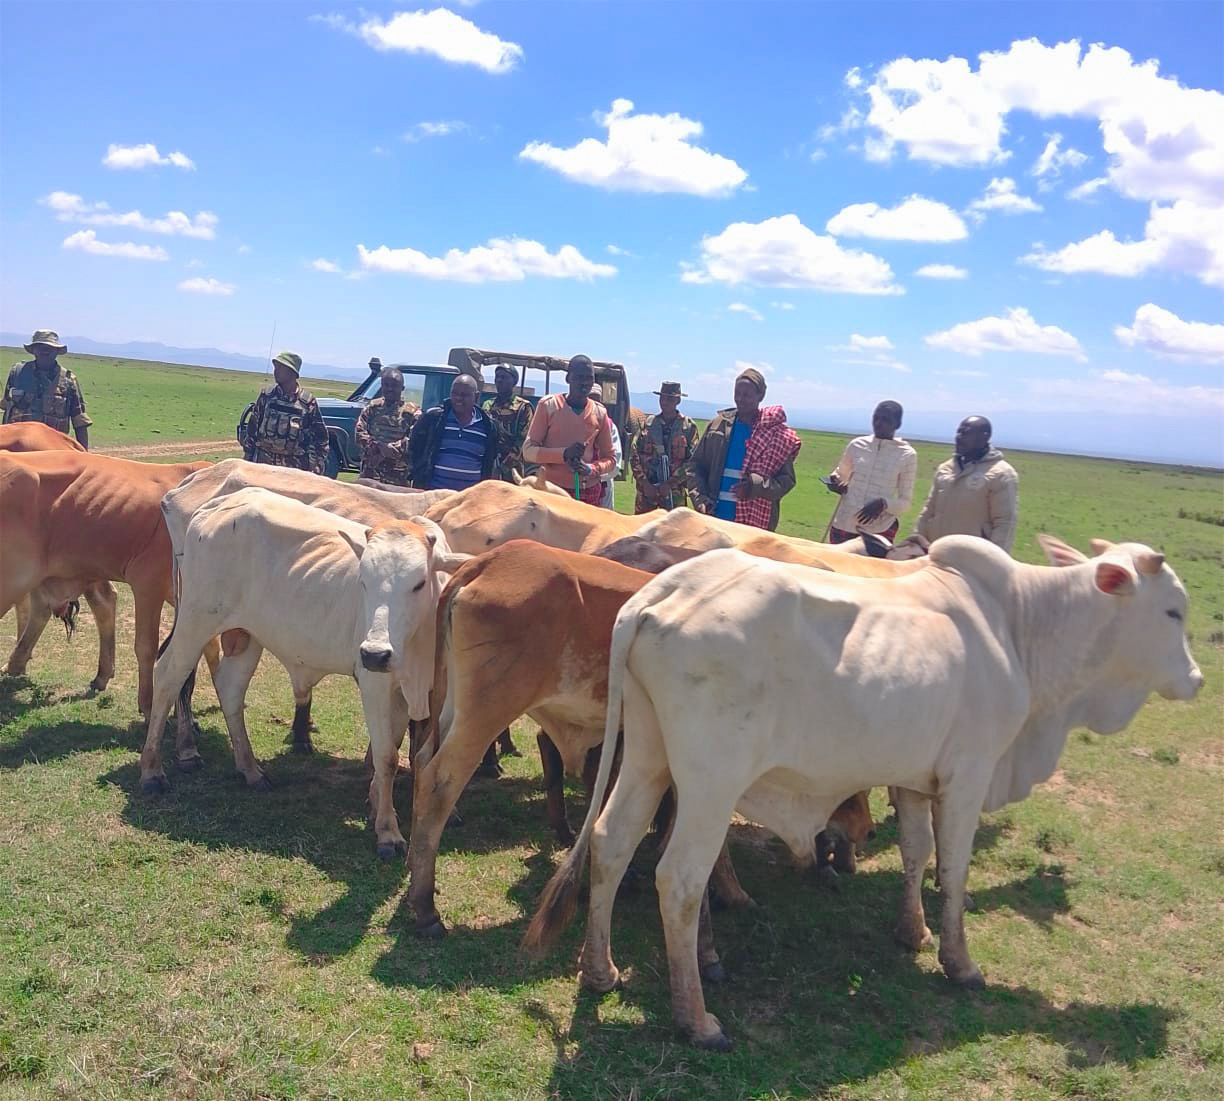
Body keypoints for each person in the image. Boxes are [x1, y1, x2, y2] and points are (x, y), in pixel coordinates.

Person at [688, 366, 800, 530]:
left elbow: (786, 481)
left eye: (747, 395)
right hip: (715, 519)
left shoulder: (775, 434)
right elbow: (695, 466)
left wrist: (756, 486)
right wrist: (700, 499)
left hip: (755, 524)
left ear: (761, 395)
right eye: (737, 393)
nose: (740, 399)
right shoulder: (717, 426)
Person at [915, 415, 1019, 553]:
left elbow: (1004, 523)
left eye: (965, 433)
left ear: (985, 436)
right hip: (935, 552)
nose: (959, 437)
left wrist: (993, 562)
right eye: (958, 432)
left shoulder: (1001, 474)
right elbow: (929, 510)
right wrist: (917, 540)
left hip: (971, 560)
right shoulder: (946, 469)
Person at [522, 354, 615, 504]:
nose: (584, 383)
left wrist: (591, 469)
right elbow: (528, 451)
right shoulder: (549, 406)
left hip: (587, 493)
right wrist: (564, 454)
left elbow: (611, 459)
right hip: (552, 490)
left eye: (589, 378)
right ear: (568, 378)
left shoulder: (599, 412)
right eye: (579, 377)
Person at [825, 400, 917, 543]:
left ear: (897, 424)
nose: (878, 423)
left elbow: (905, 502)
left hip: (879, 529)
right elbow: (839, 475)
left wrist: (883, 504)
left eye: (886, 419)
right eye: (876, 418)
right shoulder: (857, 445)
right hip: (844, 523)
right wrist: (835, 483)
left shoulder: (907, 455)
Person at [1, 329, 92, 447]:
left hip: (53, 449)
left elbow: (79, 421)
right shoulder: (17, 373)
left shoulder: (68, 380)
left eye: (50, 347)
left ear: (57, 351)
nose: (45, 351)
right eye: (40, 347)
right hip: (18, 448)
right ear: (33, 350)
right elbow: (7, 410)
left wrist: (83, 455)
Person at [242, 351, 328, 474]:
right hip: (262, 466)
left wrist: (317, 467)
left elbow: (321, 439)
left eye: (280, 368)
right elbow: (252, 429)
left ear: (292, 373)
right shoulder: (267, 396)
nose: (276, 371)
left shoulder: (307, 402)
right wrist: (248, 457)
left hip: (293, 470)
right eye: (275, 367)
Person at [408, 373, 498, 490]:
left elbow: (490, 460)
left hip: (468, 500)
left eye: (464, 395)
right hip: (433, 494)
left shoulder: (487, 426)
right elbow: (414, 447)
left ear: (476, 397)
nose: (458, 398)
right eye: (454, 393)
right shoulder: (434, 418)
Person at [630, 381, 698, 513]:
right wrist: (644, 483)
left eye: (669, 398)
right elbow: (634, 454)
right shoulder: (648, 424)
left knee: (673, 531)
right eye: (662, 398)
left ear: (678, 400)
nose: (664, 402)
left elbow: (693, 461)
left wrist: (671, 483)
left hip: (674, 493)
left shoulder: (688, 427)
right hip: (647, 493)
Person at [354, 366, 419, 486]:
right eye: (386, 385)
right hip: (370, 473)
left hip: (397, 477)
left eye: (394, 385)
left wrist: (390, 449)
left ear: (402, 388)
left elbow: (414, 440)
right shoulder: (372, 408)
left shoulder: (412, 413)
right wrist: (378, 446)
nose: (389, 389)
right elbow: (359, 433)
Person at [482, 364, 533, 482]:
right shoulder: (487, 405)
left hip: (512, 469)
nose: (499, 380)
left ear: (514, 381)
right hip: (489, 463)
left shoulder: (523, 407)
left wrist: (503, 468)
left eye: (504, 377)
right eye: (497, 377)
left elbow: (523, 441)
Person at [589, 380, 622, 510]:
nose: (594, 404)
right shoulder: (574, 423)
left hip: (602, 487)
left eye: (597, 401)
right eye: (590, 400)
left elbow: (615, 463)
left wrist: (591, 473)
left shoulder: (609, 426)